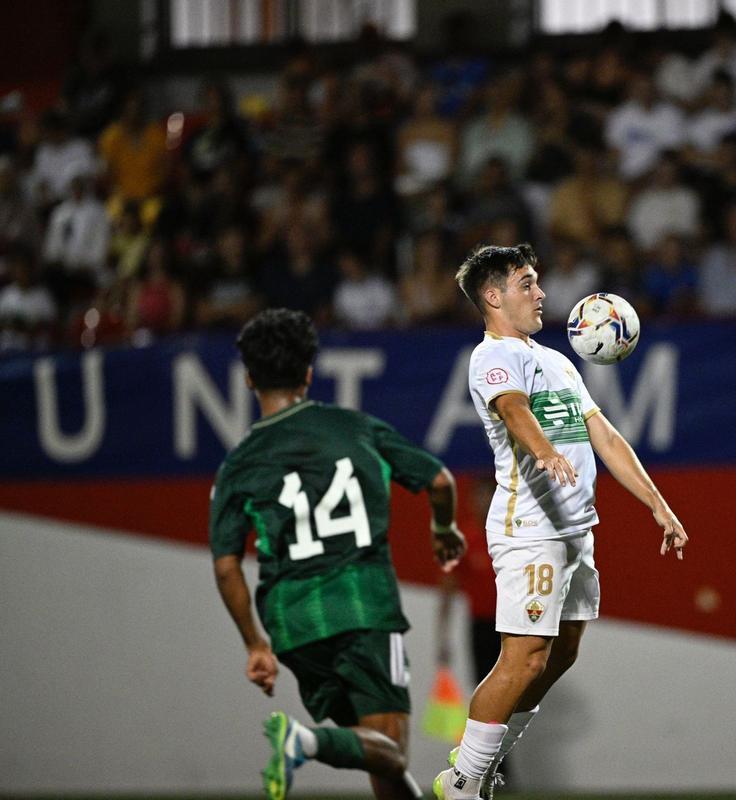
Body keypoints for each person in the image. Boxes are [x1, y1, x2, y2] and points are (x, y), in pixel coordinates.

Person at [433, 244, 689, 800]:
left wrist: (656, 501)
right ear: (494, 297)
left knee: (562, 652)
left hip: (576, 531)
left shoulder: (558, 361)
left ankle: (481, 760)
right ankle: (462, 784)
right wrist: (545, 452)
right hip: (530, 530)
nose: (541, 292)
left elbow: (606, 435)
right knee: (521, 659)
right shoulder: (492, 355)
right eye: (527, 283)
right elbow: (513, 409)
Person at [208, 308, 467, 800]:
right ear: (309, 371)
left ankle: (314, 739)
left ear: (248, 379)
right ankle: (303, 741)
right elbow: (438, 480)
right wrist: (443, 528)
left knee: (375, 753)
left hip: (292, 624)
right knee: (391, 749)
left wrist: (255, 645)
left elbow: (225, 565)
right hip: (361, 604)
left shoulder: (238, 463)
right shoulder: (353, 427)